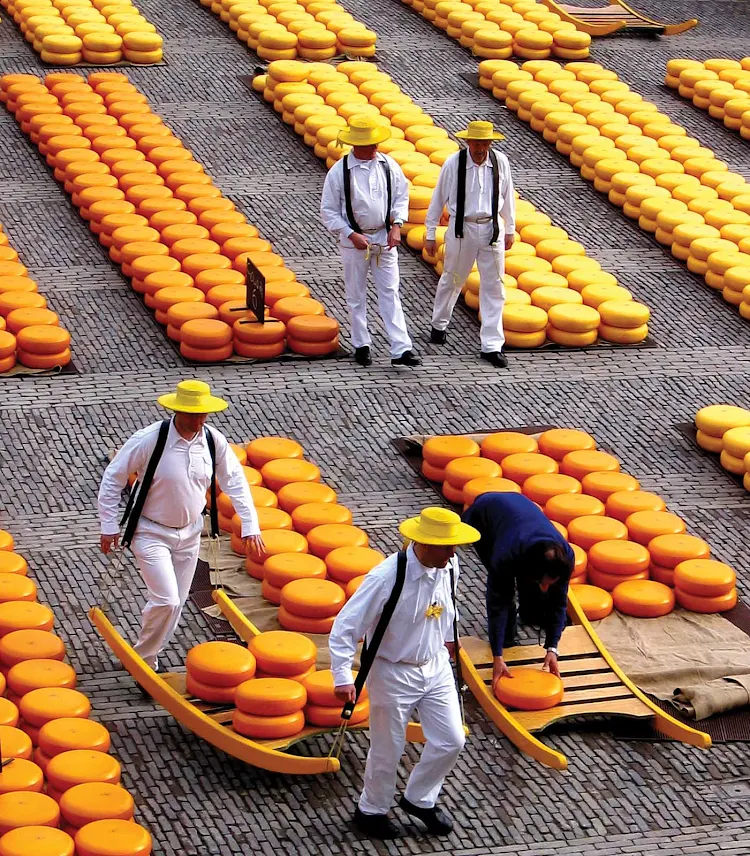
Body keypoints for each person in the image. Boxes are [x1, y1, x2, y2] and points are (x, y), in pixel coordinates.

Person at [330, 507, 480, 840]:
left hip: (436, 665)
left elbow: (446, 605)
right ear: (424, 544)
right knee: (388, 748)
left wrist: (450, 640)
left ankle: (419, 799)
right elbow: (345, 626)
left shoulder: (449, 566)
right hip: (392, 672)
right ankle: (371, 810)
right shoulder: (385, 578)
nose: (454, 553)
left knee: (452, 739)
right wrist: (342, 676)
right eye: (447, 546)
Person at [97, 379, 264, 671]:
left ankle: (150, 654)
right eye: (193, 414)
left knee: (177, 602)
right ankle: (144, 661)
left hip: (191, 533)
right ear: (177, 411)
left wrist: (250, 525)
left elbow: (235, 481)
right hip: (150, 532)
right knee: (167, 600)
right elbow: (114, 476)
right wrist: (109, 524)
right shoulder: (149, 440)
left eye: (203, 414)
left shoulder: (213, 441)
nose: (199, 420)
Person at [320, 114, 421, 369]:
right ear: (357, 146)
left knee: (390, 291)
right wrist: (350, 233)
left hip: (384, 238)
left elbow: (401, 198)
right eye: (371, 144)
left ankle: (401, 348)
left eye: (376, 143)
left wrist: (397, 225)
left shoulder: (389, 166)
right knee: (356, 294)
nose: (376, 148)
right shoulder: (339, 172)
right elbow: (328, 210)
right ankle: (361, 343)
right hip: (354, 240)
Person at [424, 120, 515, 368]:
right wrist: (430, 232)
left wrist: (510, 228)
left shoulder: (501, 163)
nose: (481, 147)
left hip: (491, 228)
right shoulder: (454, 164)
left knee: (495, 286)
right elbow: (438, 197)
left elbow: (507, 197)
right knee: (453, 278)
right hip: (461, 228)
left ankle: (492, 345)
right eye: (477, 142)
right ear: (468, 142)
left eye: (485, 143)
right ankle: (439, 324)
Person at [462, 492, 574, 685]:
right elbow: (496, 602)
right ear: (530, 568)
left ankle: (529, 615)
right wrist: (497, 656)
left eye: (550, 582)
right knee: (504, 594)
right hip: (485, 516)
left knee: (543, 598)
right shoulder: (506, 554)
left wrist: (552, 648)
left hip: (519, 515)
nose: (546, 588)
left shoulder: (565, 558)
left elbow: (559, 603)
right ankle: (506, 638)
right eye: (543, 582)